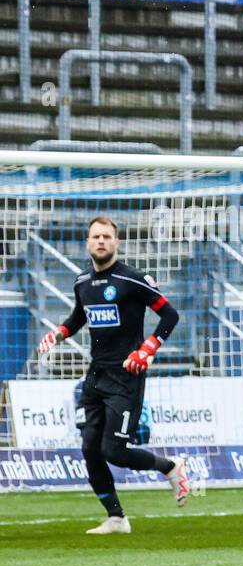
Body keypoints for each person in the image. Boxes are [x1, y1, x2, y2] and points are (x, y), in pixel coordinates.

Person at [36, 216, 189, 533]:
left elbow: (170, 315)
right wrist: (58, 334)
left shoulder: (132, 279)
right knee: (89, 448)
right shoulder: (81, 282)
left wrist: (147, 349)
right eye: (96, 236)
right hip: (95, 377)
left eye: (107, 236)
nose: (101, 241)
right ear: (87, 242)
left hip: (126, 376)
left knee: (113, 451)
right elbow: (79, 317)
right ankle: (116, 517)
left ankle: (170, 467)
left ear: (116, 242)